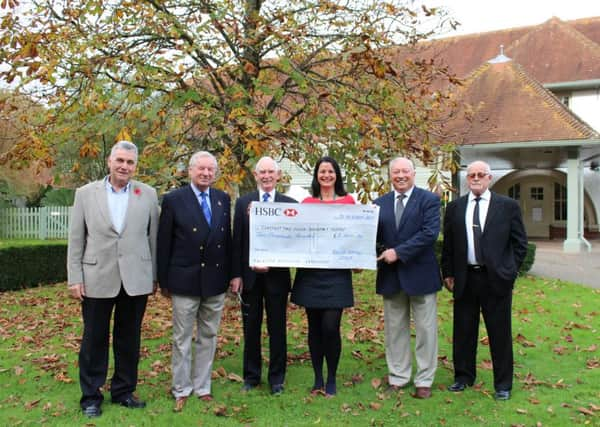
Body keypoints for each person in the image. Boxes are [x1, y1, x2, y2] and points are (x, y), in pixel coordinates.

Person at [67, 140, 159, 418]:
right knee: (94, 339)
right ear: (109, 161)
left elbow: (153, 239)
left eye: (130, 162)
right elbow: (75, 238)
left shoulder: (149, 194)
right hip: (96, 276)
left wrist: (153, 276)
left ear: (135, 165)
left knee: (128, 339)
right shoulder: (85, 194)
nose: (124, 166)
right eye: (120, 160)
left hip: (136, 278)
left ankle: (123, 391)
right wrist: (74, 277)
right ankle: (91, 396)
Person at [442, 160, 527, 401]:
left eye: (481, 175)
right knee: (463, 331)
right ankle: (463, 377)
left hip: (495, 280)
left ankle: (502, 384)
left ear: (489, 178)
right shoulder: (455, 208)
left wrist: (509, 272)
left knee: (499, 333)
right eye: (471, 175)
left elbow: (520, 243)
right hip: (465, 278)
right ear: (467, 180)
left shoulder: (507, 207)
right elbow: (448, 245)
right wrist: (448, 273)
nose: (476, 178)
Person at [157, 151, 231, 412]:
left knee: (209, 335)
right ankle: (181, 387)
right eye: (201, 169)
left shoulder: (222, 199)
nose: (206, 174)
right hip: (184, 281)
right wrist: (163, 281)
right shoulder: (174, 199)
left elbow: (228, 243)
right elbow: (163, 242)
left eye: (211, 170)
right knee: (182, 338)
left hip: (215, 281)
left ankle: (202, 386)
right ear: (190, 171)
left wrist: (232, 275)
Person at [373, 156, 441, 400]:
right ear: (390, 175)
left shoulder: (429, 200)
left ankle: (424, 379)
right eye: (395, 172)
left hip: (421, 274)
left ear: (414, 173)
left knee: (425, 330)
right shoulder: (378, 203)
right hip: (391, 277)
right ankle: (398, 377)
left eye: (405, 171)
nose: (400, 176)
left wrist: (398, 252)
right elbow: (373, 238)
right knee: (394, 330)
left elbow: (429, 234)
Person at [230, 156, 297, 395]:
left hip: (277, 278)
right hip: (250, 278)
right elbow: (237, 241)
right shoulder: (243, 203)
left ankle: (277, 379)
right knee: (251, 328)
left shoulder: (289, 203)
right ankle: (251, 377)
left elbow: (293, 243)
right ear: (256, 176)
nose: (267, 176)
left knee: (277, 328)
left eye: (271, 172)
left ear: (278, 176)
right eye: (262, 172)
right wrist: (236, 274)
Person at [291, 156, 355, 397]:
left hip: (337, 274)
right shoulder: (306, 203)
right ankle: (318, 377)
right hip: (311, 273)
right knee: (314, 327)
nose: (326, 175)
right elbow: (296, 236)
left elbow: (356, 236)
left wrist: (358, 259)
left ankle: (332, 378)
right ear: (316, 176)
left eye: (330, 171)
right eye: (322, 171)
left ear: (337, 175)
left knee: (331, 326)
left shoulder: (349, 203)